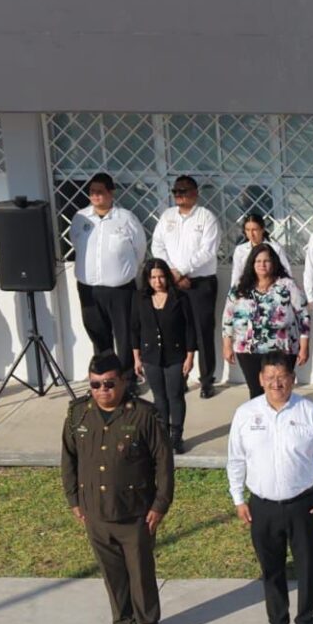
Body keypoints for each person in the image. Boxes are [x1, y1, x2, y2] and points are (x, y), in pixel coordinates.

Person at [226, 352, 313, 624]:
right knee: (271, 568)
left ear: (293, 379)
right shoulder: (245, 414)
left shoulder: (310, 412)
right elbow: (236, 459)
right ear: (261, 379)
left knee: (307, 566)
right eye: (270, 377)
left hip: (304, 504)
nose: (277, 383)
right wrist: (238, 499)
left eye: (283, 377)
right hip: (262, 506)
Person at [61, 353, 173, 624]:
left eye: (109, 383)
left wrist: (160, 505)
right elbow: (69, 458)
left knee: (140, 572)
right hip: (95, 511)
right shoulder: (78, 414)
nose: (102, 391)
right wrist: (74, 499)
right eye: (95, 384)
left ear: (123, 381)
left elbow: (164, 462)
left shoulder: (143, 415)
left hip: (135, 512)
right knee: (113, 574)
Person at [150, 175, 222, 397]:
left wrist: (181, 270)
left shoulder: (206, 218)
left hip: (200, 283)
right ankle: (179, 377)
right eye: (176, 191)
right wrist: (173, 273)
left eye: (184, 191)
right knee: (176, 330)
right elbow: (157, 245)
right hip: (173, 282)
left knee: (202, 331)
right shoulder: (167, 216)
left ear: (195, 192)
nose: (179, 195)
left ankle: (207, 379)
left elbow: (207, 251)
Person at [70, 174, 146, 376]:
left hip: (120, 290)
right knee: (98, 334)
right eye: (92, 191)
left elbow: (139, 249)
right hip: (89, 289)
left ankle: (127, 378)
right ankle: (105, 376)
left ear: (111, 192)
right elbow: (76, 243)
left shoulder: (126, 218)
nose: (95, 196)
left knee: (125, 335)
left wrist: (125, 271)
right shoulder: (81, 218)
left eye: (100, 191)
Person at [222, 244, 311, 399]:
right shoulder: (239, 287)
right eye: (258, 261)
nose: (262, 265)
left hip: (282, 348)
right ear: (252, 263)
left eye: (266, 261)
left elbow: (303, 315)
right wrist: (227, 345)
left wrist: (304, 346)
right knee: (256, 392)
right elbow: (228, 317)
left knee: (280, 392)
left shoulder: (287, 285)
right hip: (248, 350)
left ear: (274, 263)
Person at [133, 259, 195, 453]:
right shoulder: (140, 298)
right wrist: (136, 357)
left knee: (175, 395)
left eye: (161, 276)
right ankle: (162, 435)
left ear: (167, 277)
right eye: (153, 277)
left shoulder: (180, 298)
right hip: (151, 356)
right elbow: (135, 329)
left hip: (175, 355)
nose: (157, 281)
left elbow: (190, 329)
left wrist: (190, 356)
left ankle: (176, 436)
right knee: (159, 397)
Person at [232, 211, 294, 288]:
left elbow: (286, 271)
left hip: (271, 290)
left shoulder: (275, 248)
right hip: (248, 291)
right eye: (248, 230)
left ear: (262, 229)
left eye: (254, 230)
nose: (251, 234)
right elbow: (237, 274)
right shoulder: (240, 250)